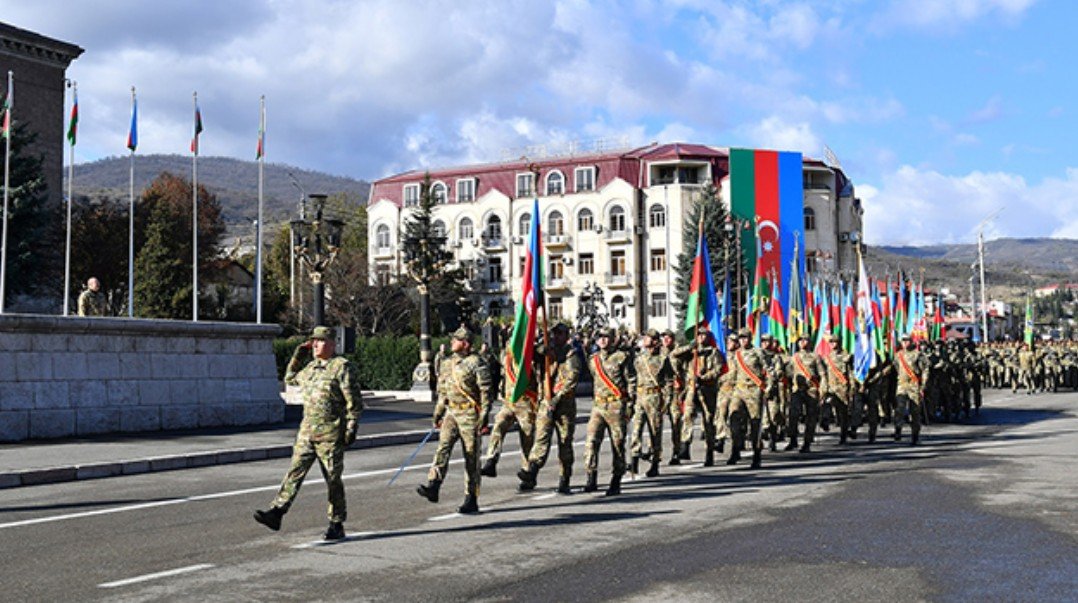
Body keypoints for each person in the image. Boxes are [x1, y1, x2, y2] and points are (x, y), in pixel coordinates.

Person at [255, 326, 363, 541]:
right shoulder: (310, 368)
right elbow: (290, 377)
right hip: (307, 431)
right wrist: (299, 353)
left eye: (320, 341)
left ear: (331, 344)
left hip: (331, 433)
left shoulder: (341, 367)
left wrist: (351, 428)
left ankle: (336, 522)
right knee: (295, 471)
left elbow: (354, 402)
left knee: (333, 479)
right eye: (313, 341)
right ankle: (277, 512)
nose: (314, 345)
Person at [417, 326, 492, 513]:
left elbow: (485, 392)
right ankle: (434, 484)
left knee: (471, 456)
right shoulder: (447, 363)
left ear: (465, 343)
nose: (452, 342)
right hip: (451, 412)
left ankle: (471, 497)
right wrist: (438, 414)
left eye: (456, 340)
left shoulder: (477, 363)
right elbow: (443, 392)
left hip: (469, 414)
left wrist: (483, 417)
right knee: (443, 448)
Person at [518, 323, 582, 494]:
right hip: (546, 402)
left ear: (566, 335)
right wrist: (537, 343)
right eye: (554, 333)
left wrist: (557, 398)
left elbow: (571, 381)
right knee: (541, 438)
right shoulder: (546, 352)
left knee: (564, 442)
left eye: (560, 333)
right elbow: (529, 353)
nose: (556, 336)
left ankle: (564, 478)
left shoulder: (571, 355)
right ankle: (532, 470)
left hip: (564, 406)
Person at [583, 329, 634, 496]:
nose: (603, 340)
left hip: (616, 405)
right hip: (598, 406)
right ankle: (591, 476)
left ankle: (616, 479)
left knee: (617, 444)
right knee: (591, 442)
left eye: (606, 337)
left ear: (613, 339)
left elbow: (631, 381)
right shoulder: (593, 360)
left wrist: (629, 405)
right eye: (600, 337)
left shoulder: (622, 357)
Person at [630, 329, 674, 477]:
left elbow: (669, 380)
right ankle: (634, 459)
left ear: (654, 341)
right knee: (636, 429)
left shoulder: (662, 359)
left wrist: (666, 401)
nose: (645, 339)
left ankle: (655, 462)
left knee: (655, 432)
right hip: (640, 396)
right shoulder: (639, 357)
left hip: (654, 396)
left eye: (648, 337)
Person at [786, 335, 827, 453]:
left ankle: (807, 442)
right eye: (801, 340)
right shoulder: (794, 357)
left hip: (811, 389)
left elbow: (822, 374)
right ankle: (793, 439)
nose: (803, 342)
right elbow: (789, 373)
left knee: (811, 417)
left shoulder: (815, 357)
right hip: (797, 390)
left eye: (805, 340)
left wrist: (823, 390)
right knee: (793, 415)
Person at [893, 334, 930, 444]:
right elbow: (896, 367)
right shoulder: (898, 355)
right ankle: (898, 429)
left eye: (907, 340)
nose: (905, 343)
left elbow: (925, 370)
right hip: (902, 385)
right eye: (903, 341)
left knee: (915, 411)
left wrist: (923, 385)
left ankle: (915, 434)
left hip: (914, 385)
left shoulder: (918, 355)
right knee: (899, 409)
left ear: (911, 341)